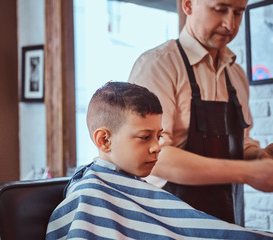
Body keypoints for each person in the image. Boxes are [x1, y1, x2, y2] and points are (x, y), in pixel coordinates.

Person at [46, 81, 273, 239]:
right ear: (104, 140)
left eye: (159, 135)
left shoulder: (134, 187)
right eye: (145, 137)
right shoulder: (90, 197)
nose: (157, 147)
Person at [128, 0, 273, 226]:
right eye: (220, 9)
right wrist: (248, 171)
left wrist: (259, 158)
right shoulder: (158, 65)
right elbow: (153, 156)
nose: (229, 23)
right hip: (167, 225)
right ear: (188, 4)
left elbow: (241, 143)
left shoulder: (236, 75)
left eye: (237, 13)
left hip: (227, 224)